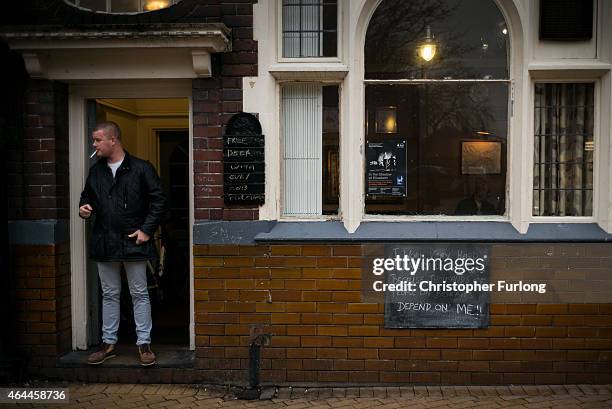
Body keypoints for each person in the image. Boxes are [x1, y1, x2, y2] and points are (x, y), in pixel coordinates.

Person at [79, 121, 167, 366]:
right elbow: (87, 196)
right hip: (104, 241)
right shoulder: (96, 171)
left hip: (133, 241)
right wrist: (83, 208)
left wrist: (146, 230)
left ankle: (144, 344)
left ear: (112, 140)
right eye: (93, 141)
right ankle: (108, 344)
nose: (94, 145)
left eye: (97, 140)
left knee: (139, 293)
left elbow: (159, 201)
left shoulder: (141, 168)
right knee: (109, 293)